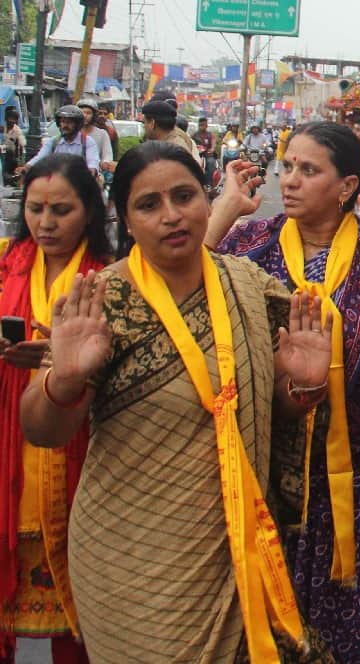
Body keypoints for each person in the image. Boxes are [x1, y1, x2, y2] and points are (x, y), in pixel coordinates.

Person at [18, 142, 333, 662]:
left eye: (184, 196)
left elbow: (261, 411)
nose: (171, 216)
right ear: (126, 219)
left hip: (236, 553)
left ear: (208, 202)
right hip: (134, 564)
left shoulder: (250, 288)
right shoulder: (103, 301)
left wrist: (300, 389)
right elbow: (44, 429)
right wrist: (64, 379)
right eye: (148, 205)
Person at [205, 121, 360, 663]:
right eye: (287, 167)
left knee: (353, 633)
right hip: (262, 469)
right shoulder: (253, 241)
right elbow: (179, 287)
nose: (288, 180)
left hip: (351, 479)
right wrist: (224, 210)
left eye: (307, 170)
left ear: (346, 188)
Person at [0, 154, 111, 664]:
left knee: (83, 622)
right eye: (35, 208)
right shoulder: (5, 265)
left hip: (82, 453)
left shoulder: (112, 279)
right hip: (10, 450)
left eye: (60, 210)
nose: (44, 223)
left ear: (88, 212)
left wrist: (57, 363)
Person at [20, 106, 98, 175]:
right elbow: (40, 157)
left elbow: (92, 161)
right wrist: (27, 166)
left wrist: (92, 170)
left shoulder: (87, 142)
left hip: (79, 181)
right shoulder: (53, 142)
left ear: (77, 124)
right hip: (57, 180)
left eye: (69, 122)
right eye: (63, 122)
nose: (65, 125)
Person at [76, 98, 114, 175]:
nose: (85, 115)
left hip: (95, 173)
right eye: (82, 112)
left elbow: (107, 155)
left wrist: (105, 163)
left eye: (88, 113)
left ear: (94, 115)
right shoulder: (73, 134)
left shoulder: (102, 134)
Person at [192, 116, 217, 186]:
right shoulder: (194, 135)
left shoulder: (210, 134)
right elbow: (190, 143)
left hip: (207, 154)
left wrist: (212, 148)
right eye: (202, 125)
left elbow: (213, 141)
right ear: (199, 125)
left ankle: (209, 183)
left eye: (205, 125)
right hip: (196, 154)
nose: (203, 126)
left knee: (211, 163)